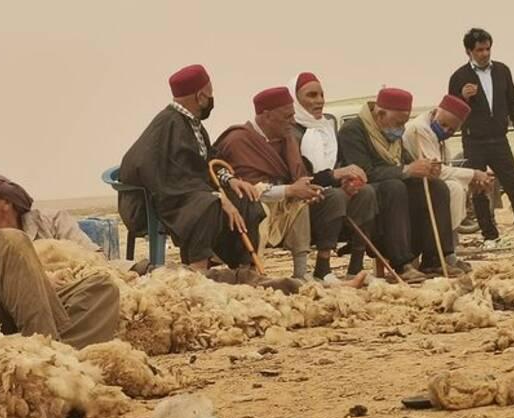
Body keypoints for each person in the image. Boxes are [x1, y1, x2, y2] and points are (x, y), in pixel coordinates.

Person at [215, 86, 367, 286]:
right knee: (263, 206)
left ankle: (304, 272)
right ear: (266, 116)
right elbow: (245, 189)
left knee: (320, 199)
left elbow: (299, 178)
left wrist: (307, 189)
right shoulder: (239, 140)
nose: (292, 122)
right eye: (287, 117)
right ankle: (249, 270)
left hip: (283, 205)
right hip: (249, 207)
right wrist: (290, 190)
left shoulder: (287, 138)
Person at [119, 64, 265, 273]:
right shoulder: (169, 124)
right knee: (209, 205)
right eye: (210, 94)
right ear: (200, 96)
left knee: (244, 199)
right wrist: (216, 195)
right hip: (161, 199)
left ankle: (244, 268)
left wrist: (230, 180)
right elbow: (175, 175)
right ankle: (198, 269)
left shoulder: (191, 123)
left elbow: (206, 162)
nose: (212, 99)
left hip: (188, 192)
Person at [0, 174, 119, 349]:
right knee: (8, 238)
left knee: (103, 286)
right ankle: (43, 350)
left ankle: (48, 350)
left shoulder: (52, 221)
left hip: (52, 299)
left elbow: (94, 257)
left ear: (6, 201)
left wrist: (43, 281)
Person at [338, 88, 461, 281]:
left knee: (436, 187)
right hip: (368, 192)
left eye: (404, 123)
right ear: (379, 114)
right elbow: (364, 172)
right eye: (398, 123)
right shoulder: (353, 131)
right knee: (394, 186)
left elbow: (405, 162)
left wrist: (426, 170)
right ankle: (402, 264)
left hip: (395, 189)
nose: (401, 128)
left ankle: (435, 259)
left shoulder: (393, 136)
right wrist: (407, 170)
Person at [448, 28, 514, 248]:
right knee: (480, 190)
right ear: (468, 51)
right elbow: (451, 110)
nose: (484, 53)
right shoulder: (459, 77)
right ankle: (490, 237)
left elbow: (513, 102)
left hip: (499, 140)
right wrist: (462, 97)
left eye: (487, 48)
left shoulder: (502, 71)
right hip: (474, 141)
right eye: (479, 49)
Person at [289, 72, 379, 282]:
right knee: (334, 197)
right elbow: (302, 177)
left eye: (321, 95)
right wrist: (336, 176)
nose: (319, 101)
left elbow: (335, 168)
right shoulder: (290, 132)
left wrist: (346, 181)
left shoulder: (326, 129)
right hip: (302, 200)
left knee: (365, 193)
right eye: (311, 95)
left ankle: (356, 268)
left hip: (328, 194)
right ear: (296, 99)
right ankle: (323, 268)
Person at [404, 94, 489, 271]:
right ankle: (439, 255)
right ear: (436, 112)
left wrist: (472, 181)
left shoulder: (439, 136)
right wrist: (473, 174)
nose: (446, 130)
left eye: (452, 129)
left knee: (456, 188)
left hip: (431, 185)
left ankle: (446, 252)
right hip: (411, 184)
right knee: (452, 188)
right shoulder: (420, 129)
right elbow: (437, 171)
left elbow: (443, 169)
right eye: (444, 124)